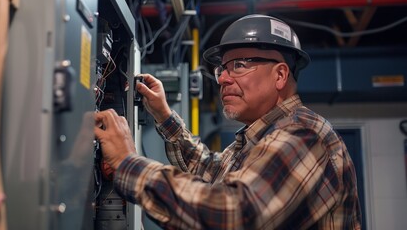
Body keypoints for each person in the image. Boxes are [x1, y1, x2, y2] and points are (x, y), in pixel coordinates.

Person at [94, 14, 362, 229]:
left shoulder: (303, 134)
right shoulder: (256, 139)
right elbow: (208, 170)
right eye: (222, 68)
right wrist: (163, 115)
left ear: (280, 75)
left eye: (239, 65)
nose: (222, 79)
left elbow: (233, 215)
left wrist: (127, 163)